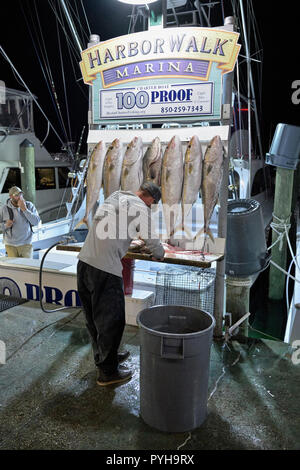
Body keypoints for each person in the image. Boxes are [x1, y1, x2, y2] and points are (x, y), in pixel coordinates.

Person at [77, 182, 164, 386]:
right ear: (150, 199)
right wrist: (159, 253)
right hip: (104, 270)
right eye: (152, 204)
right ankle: (108, 373)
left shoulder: (115, 196)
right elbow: (153, 242)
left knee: (94, 321)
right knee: (111, 321)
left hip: (84, 264)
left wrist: (128, 241)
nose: (150, 207)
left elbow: (114, 227)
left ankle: (106, 357)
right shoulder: (141, 207)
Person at [0, 186, 40, 258]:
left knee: (27, 267)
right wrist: (6, 225)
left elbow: (36, 222)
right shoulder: (4, 209)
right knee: (14, 268)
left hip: (26, 244)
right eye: (16, 195)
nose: (20, 197)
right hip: (10, 245)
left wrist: (25, 210)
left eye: (21, 194)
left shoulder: (29, 205)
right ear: (10, 196)